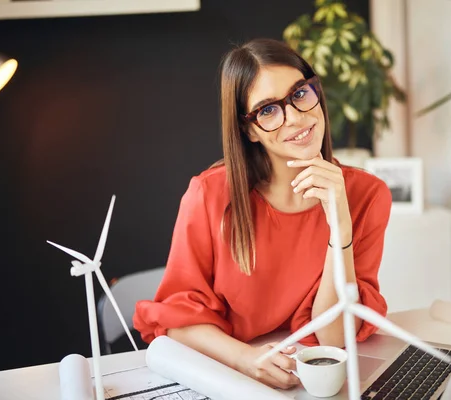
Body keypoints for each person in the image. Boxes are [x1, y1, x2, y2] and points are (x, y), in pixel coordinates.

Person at [134, 38, 392, 390]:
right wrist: (245, 359)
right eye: (268, 110)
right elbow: (177, 320)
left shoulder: (367, 194)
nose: (296, 117)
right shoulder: (209, 195)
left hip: (307, 379)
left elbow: (333, 337)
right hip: (229, 375)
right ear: (249, 129)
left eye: (300, 93)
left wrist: (340, 225)